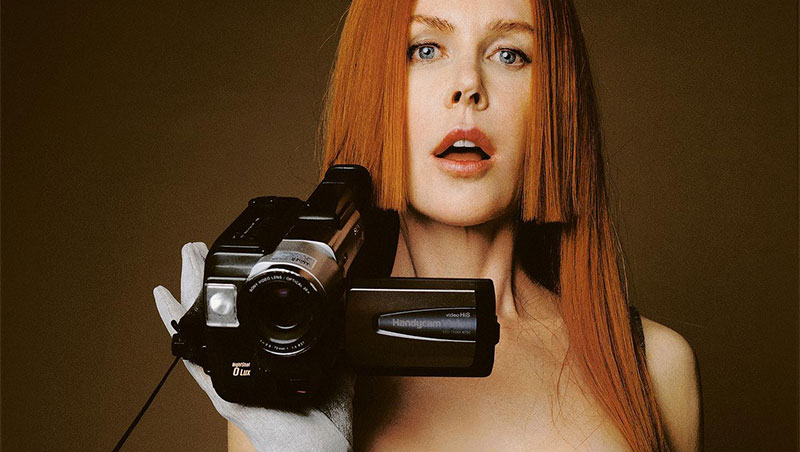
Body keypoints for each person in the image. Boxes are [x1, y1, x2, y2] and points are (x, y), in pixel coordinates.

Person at [155, 0, 703, 450]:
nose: (468, 86)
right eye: (425, 49)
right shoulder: (285, 375)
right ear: (374, 85)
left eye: (510, 53)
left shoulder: (653, 369)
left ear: (555, 102)